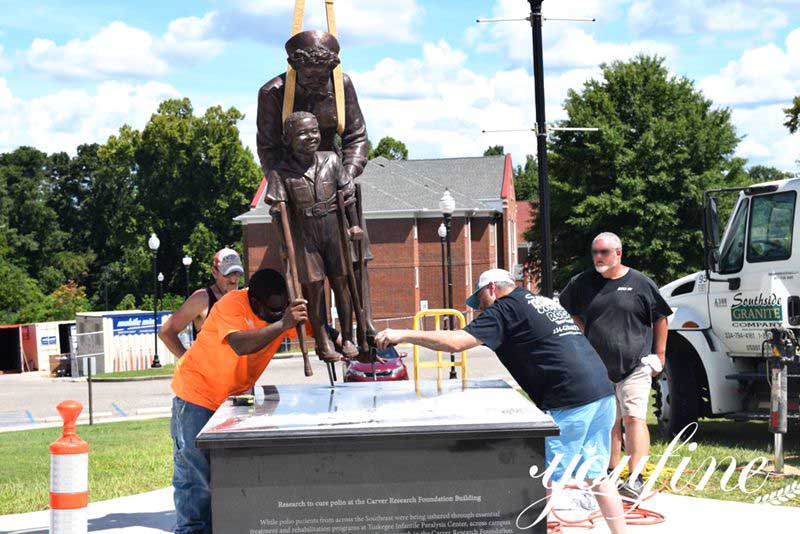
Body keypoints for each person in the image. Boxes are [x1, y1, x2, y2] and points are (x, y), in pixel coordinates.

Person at [376, 269, 628, 533]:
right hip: (601, 393)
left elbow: (456, 342)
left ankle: (538, 528)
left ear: (493, 289)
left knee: (540, 476)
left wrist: (403, 334)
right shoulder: (538, 301)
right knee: (597, 474)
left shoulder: (505, 309)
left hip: (570, 398)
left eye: (481, 301)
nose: (481, 310)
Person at [257, 30, 377, 337]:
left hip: (334, 180)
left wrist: (347, 172)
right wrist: (282, 188)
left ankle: (363, 324)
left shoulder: (342, 85)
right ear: (293, 66)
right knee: (308, 270)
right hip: (294, 182)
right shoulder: (272, 92)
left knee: (355, 255)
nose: (315, 81)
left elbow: (357, 136)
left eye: (322, 74)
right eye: (307, 75)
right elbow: (268, 150)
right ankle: (321, 331)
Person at [169, 268, 307, 534]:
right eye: (273, 311)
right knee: (194, 474)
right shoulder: (230, 305)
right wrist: (282, 323)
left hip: (235, 398)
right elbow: (240, 344)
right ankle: (192, 531)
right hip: (196, 396)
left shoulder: (281, 311)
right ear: (256, 304)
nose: (278, 314)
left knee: (231, 472)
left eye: (282, 310)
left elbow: (316, 327)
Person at [558, 232, 672, 500]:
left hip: (636, 366)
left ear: (618, 253)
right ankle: (609, 471)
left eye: (604, 252)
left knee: (634, 418)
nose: (598, 257)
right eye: (595, 252)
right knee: (608, 421)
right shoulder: (583, 282)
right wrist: (579, 335)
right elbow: (567, 309)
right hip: (597, 367)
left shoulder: (640, 283)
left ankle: (636, 477)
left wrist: (660, 355)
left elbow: (661, 317)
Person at [264, 111, 362, 363]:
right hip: (305, 236)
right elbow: (278, 211)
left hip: (333, 228)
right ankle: (322, 339)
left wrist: (353, 225)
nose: (311, 137)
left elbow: (347, 194)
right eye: (303, 133)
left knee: (341, 283)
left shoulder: (331, 159)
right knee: (314, 288)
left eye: (315, 131)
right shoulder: (281, 172)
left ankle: (348, 337)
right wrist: (284, 243)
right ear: (288, 139)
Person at [159, 248, 245, 358]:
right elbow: (166, 332)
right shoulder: (203, 298)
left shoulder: (242, 299)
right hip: (208, 374)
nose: (233, 279)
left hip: (235, 374)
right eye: (227, 274)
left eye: (237, 273)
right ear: (214, 272)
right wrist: (189, 362)